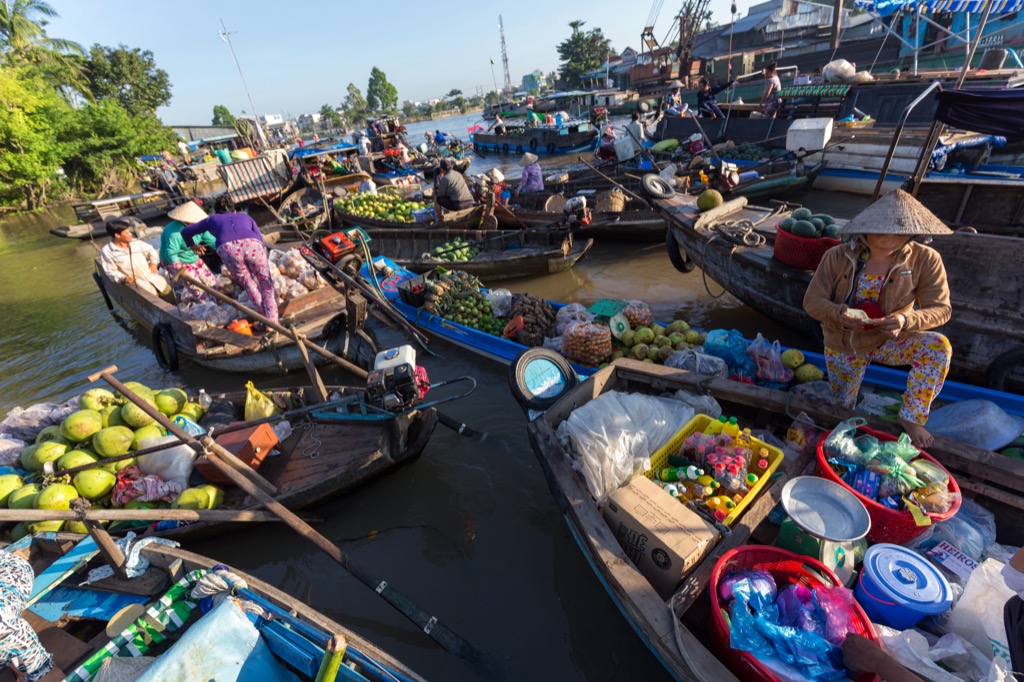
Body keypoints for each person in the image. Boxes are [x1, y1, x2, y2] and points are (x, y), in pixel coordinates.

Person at [803, 189, 954, 448]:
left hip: (890, 340)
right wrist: (839, 314)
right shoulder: (838, 256)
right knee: (843, 407)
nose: (888, 240)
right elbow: (812, 302)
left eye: (898, 232)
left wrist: (906, 321)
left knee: (938, 347)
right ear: (864, 230)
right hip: (845, 341)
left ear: (912, 232)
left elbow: (941, 309)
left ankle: (911, 416)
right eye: (880, 232)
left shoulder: (926, 259)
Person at [180, 205, 279, 324]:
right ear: (235, 211)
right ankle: (273, 320)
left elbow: (185, 232)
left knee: (248, 283)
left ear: (217, 212)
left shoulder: (212, 219)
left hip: (228, 249)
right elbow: (260, 240)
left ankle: (265, 319)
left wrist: (192, 245)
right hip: (252, 245)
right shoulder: (245, 217)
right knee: (265, 283)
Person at [159, 200, 219, 306]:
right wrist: (183, 272)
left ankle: (215, 303)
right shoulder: (174, 232)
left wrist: (224, 249)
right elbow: (171, 254)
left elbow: (212, 241)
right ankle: (208, 309)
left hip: (193, 258)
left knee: (212, 283)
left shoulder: (201, 227)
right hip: (175, 262)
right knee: (198, 290)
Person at [99, 217, 172, 300]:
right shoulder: (107, 251)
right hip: (140, 287)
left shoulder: (135, 242)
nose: (131, 234)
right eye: (127, 233)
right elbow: (111, 271)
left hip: (157, 280)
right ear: (117, 235)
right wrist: (123, 278)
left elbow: (151, 250)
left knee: (173, 298)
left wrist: (153, 262)